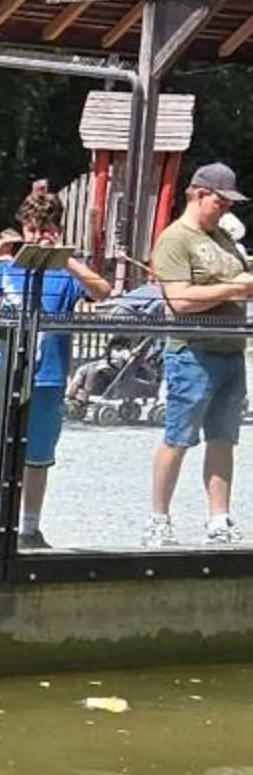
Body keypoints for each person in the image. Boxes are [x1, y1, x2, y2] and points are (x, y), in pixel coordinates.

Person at [0, 183, 111, 549]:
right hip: (6, 375)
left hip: (49, 377)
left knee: (38, 457)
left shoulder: (67, 272)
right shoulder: (8, 268)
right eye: (31, 230)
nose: (37, 238)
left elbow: (104, 291)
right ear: (22, 229)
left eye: (45, 231)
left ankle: (30, 527)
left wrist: (64, 257)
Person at [146, 161, 253, 548]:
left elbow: (240, 277)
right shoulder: (176, 240)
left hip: (230, 351)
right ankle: (159, 519)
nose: (225, 209)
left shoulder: (221, 238)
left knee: (224, 438)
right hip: (192, 353)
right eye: (220, 201)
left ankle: (218, 519)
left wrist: (241, 283)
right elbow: (179, 299)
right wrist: (235, 289)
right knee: (178, 437)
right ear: (198, 194)